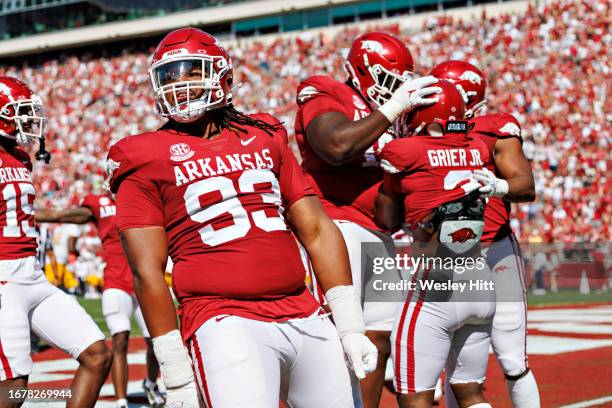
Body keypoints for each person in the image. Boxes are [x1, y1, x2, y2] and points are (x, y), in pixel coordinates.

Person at [106, 27, 377, 408]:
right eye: (169, 77)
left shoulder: (264, 134)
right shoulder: (143, 155)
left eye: (192, 72)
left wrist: (349, 322)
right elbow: (147, 270)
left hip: (302, 308)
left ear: (224, 77)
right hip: (222, 318)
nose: (179, 86)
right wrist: (175, 370)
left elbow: (316, 229)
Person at [294, 31, 441, 407]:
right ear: (361, 71)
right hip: (333, 226)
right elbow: (336, 146)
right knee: (333, 338)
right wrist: (391, 110)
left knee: (378, 338)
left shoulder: (398, 115)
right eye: (389, 82)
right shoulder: (325, 91)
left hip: (379, 233)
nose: (396, 92)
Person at [375, 81, 495, 408]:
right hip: (481, 279)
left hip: (435, 284)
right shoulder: (478, 148)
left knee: (414, 396)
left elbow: (386, 217)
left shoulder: (404, 151)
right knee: (471, 393)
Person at [431, 60, 540, 408]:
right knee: (456, 368)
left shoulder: (494, 129)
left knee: (513, 362)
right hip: (448, 259)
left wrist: (499, 185)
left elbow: (525, 185)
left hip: (495, 252)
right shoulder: (421, 134)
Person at [0, 75, 112, 408]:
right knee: (14, 388)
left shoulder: (19, 156)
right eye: (18, 112)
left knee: (97, 355)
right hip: (3, 279)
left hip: (33, 276)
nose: (28, 121)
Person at [35, 192, 165, 408]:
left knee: (156, 342)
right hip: (115, 278)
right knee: (119, 340)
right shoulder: (98, 202)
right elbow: (64, 215)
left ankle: (150, 384)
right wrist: (21, 213)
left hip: (144, 277)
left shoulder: (142, 193)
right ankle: (121, 400)